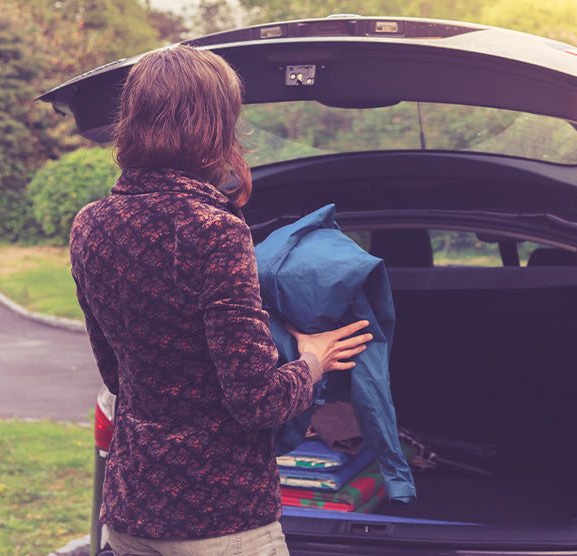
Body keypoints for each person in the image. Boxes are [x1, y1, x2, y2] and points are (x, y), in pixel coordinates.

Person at [69, 45, 373, 556]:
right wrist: (314, 361)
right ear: (214, 125)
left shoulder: (89, 225)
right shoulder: (214, 230)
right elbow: (258, 402)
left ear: (133, 119)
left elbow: (117, 376)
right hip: (219, 522)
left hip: (131, 515)